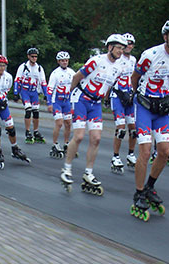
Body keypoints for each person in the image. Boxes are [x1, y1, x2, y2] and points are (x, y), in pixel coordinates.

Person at [128, 19, 169, 221]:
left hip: (163, 109)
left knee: (164, 152)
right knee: (144, 152)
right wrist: (137, 95)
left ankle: (149, 187)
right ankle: (138, 192)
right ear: (165, 37)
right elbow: (135, 77)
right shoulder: (150, 55)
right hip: (145, 108)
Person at [59, 34, 128, 195]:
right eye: (118, 48)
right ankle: (67, 169)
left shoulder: (119, 68)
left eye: (123, 49)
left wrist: (105, 99)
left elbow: (108, 86)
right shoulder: (96, 61)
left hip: (95, 103)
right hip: (81, 99)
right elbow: (77, 77)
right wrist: (69, 95)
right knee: (79, 136)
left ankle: (88, 173)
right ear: (110, 47)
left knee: (96, 138)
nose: (121, 51)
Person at [0, 55, 31, 169]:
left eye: (4, 65)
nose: (2, 68)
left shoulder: (8, 77)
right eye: (0, 65)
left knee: (11, 128)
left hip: (3, 105)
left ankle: (15, 148)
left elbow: (7, 89)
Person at [109, 33, 139, 174]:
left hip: (130, 98)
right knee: (121, 128)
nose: (128, 46)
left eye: (131, 44)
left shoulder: (134, 60)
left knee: (133, 128)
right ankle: (115, 156)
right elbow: (110, 78)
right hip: (118, 96)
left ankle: (131, 154)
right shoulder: (117, 60)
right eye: (126, 44)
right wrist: (107, 96)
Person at [14, 47, 48, 144]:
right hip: (25, 91)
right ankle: (28, 131)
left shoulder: (39, 68)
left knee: (36, 112)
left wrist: (46, 94)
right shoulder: (23, 67)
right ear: (28, 57)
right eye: (32, 57)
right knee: (28, 110)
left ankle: (36, 131)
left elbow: (43, 82)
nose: (34, 58)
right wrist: (16, 93)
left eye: (36, 57)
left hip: (34, 92)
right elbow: (17, 80)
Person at [46, 51, 75, 159]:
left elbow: (75, 88)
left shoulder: (72, 72)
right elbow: (49, 89)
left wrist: (74, 104)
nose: (64, 62)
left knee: (68, 123)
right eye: (62, 60)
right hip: (56, 101)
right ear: (58, 61)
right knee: (59, 123)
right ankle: (55, 143)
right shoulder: (55, 74)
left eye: (66, 60)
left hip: (67, 102)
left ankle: (66, 143)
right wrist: (49, 103)